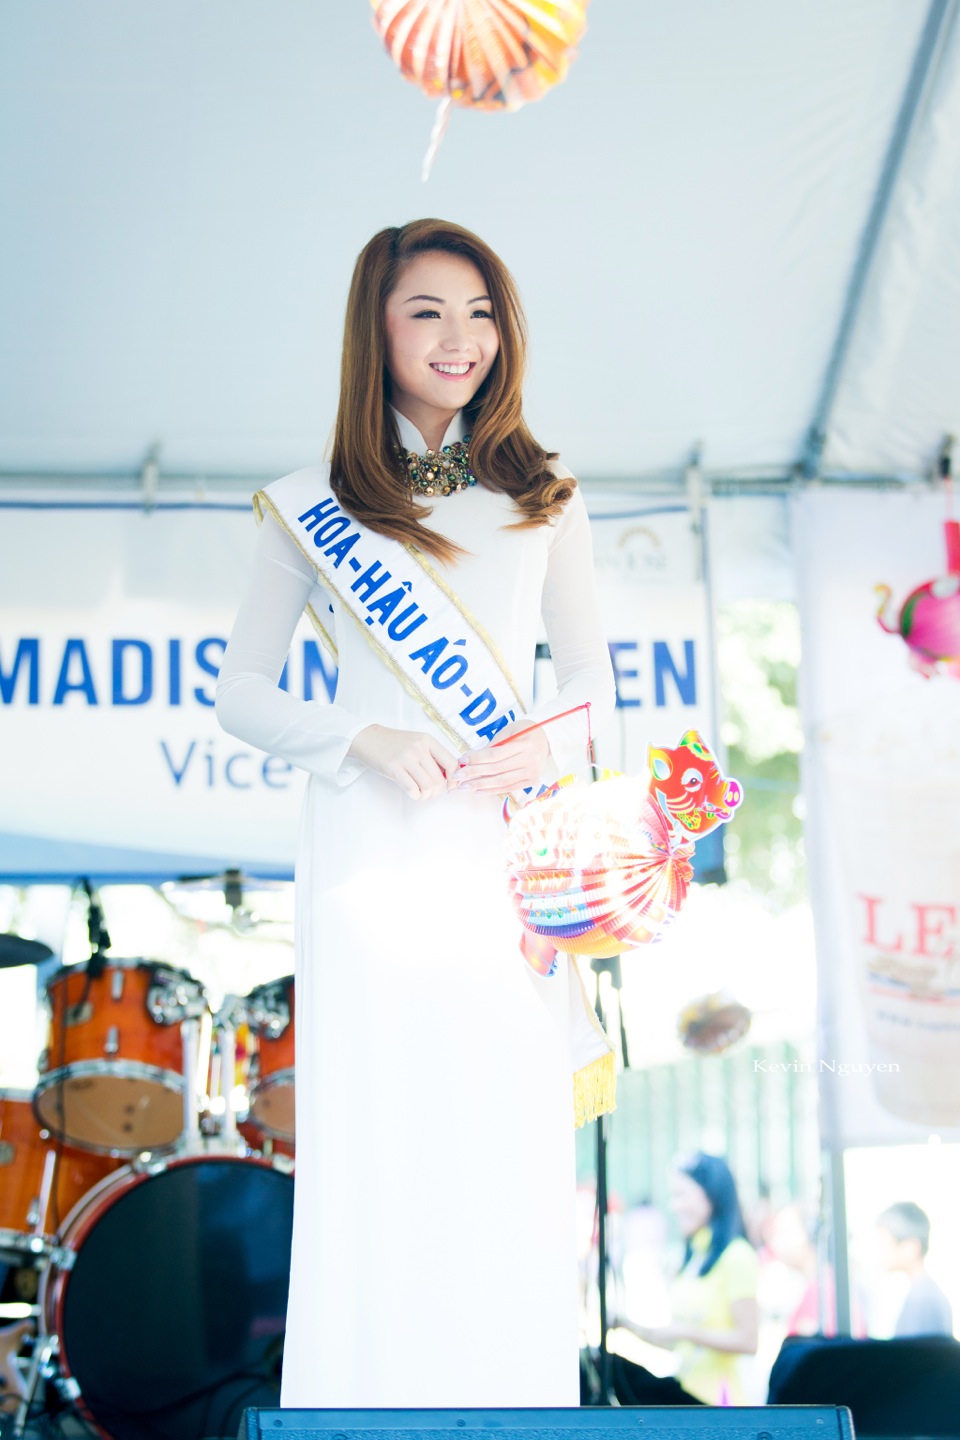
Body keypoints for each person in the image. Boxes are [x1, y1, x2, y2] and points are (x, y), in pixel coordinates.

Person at [216, 218, 617, 1408]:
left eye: (481, 312)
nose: (460, 339)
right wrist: (362, 737)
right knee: (382, 1138)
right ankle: (363, 1409)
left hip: (507, 860)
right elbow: (240, 693)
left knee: (502, 1135)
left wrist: (535, 748)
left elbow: (594, 685)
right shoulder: (314, 507)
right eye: (427, 312)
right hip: (371, 848)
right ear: (374, 330)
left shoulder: (545, 495)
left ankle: (514, 1404)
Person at [616, 1152, 759, 1404]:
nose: (675, 1206)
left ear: (711, 1194)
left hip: (719, 1405)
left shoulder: (737, 1255)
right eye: (673, 1196)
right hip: (686, 1398)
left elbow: (748, 1340)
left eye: (682, 1195)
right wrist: (628, 1326)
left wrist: (686, 1332)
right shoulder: (693, 1257)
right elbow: (679, 1343)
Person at [876, 1201, 954, 1338]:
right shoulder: (926, 1293)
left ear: (911, 1247)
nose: (881, 1254)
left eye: (885, 1246)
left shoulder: (921, 1300)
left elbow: (914, 1357)